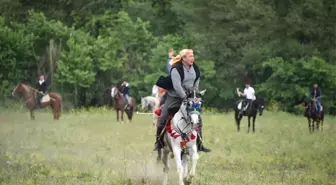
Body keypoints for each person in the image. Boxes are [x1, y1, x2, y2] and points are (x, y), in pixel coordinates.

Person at [154, 48, 211, 152]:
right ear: (184, 58)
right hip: (175, 96)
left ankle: (200, 144)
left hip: (190, 96)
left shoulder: (195, 68)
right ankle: (159, 142)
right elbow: (177, 86)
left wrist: (194, 94)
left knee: (197, 118)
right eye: (190, 56)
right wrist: (184, 97)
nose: (192, 58)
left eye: (193, 56)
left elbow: (196, 82)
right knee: (163, 117)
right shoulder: (176, 69)